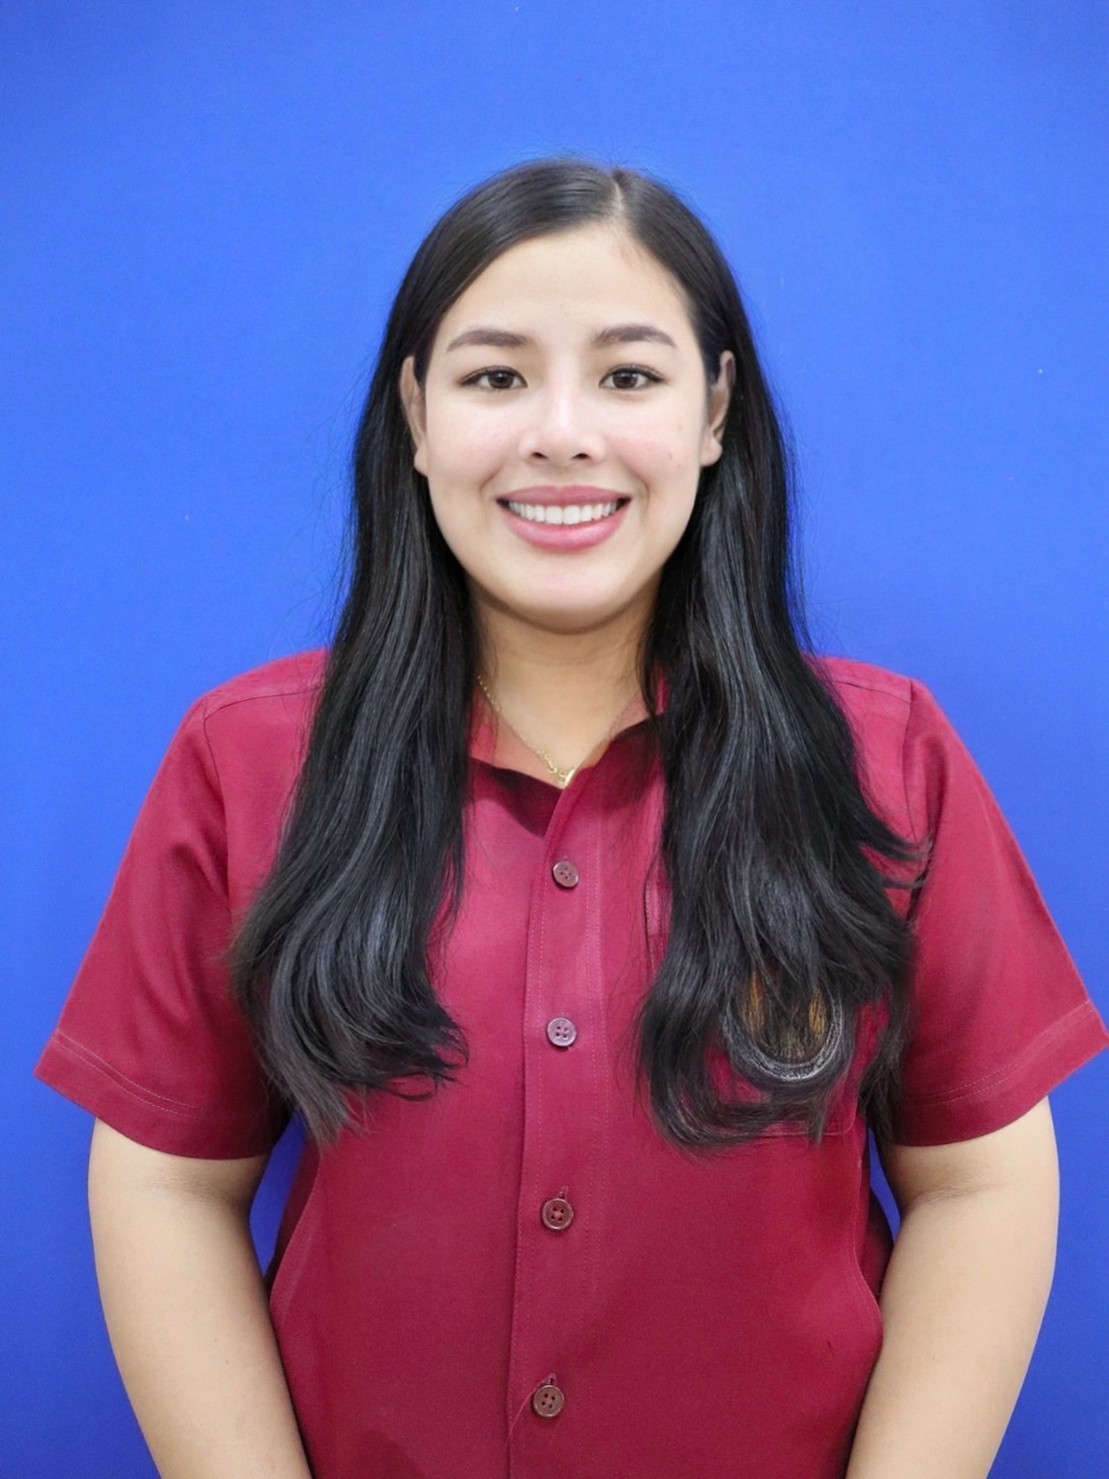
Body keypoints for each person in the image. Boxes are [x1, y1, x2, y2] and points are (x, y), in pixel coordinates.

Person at [36, 156, 1107, 1479]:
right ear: (415, 413)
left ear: (715, 410)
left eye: (628, 376)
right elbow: (166, 1182)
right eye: (494, 378)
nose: (560, 433)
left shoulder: (886, 765)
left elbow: (980, 1180)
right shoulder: (246, 765)